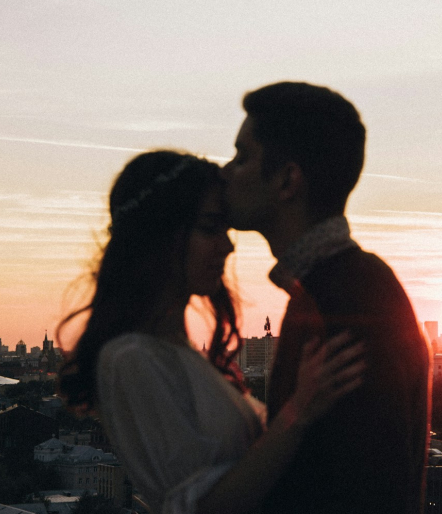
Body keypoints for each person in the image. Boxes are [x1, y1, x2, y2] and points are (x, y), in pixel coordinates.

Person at [56, 150, 365, 514]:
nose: (229, 245)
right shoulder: (130, 358)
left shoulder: (180, 352)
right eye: (209, 228)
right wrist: (298, 412)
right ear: (161, 236)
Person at [221, 82, 432, 513]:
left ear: (286, 181)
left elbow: (365, 485)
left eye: (242, 157)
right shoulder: (346, 285)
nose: (225, 172)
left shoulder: (340, 302)